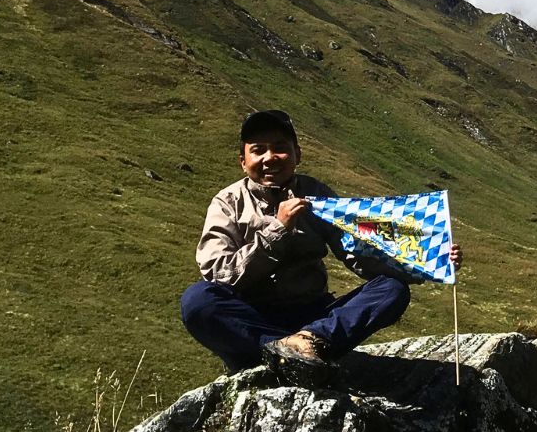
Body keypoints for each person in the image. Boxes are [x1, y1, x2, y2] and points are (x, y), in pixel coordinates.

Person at [179, 109, 463, 375]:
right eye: (258, 151)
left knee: (391, 289)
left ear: (297, 155)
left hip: (314, 317)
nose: (270, 158)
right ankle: (283, 349)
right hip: (253, 315)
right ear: (243, 162)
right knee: (197, 301)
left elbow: (357, 252)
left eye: (280, 148)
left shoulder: (316, 194)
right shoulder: (228, 203)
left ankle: (304, 344)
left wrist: (431, 259)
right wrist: (277, 230)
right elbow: (218, 273)